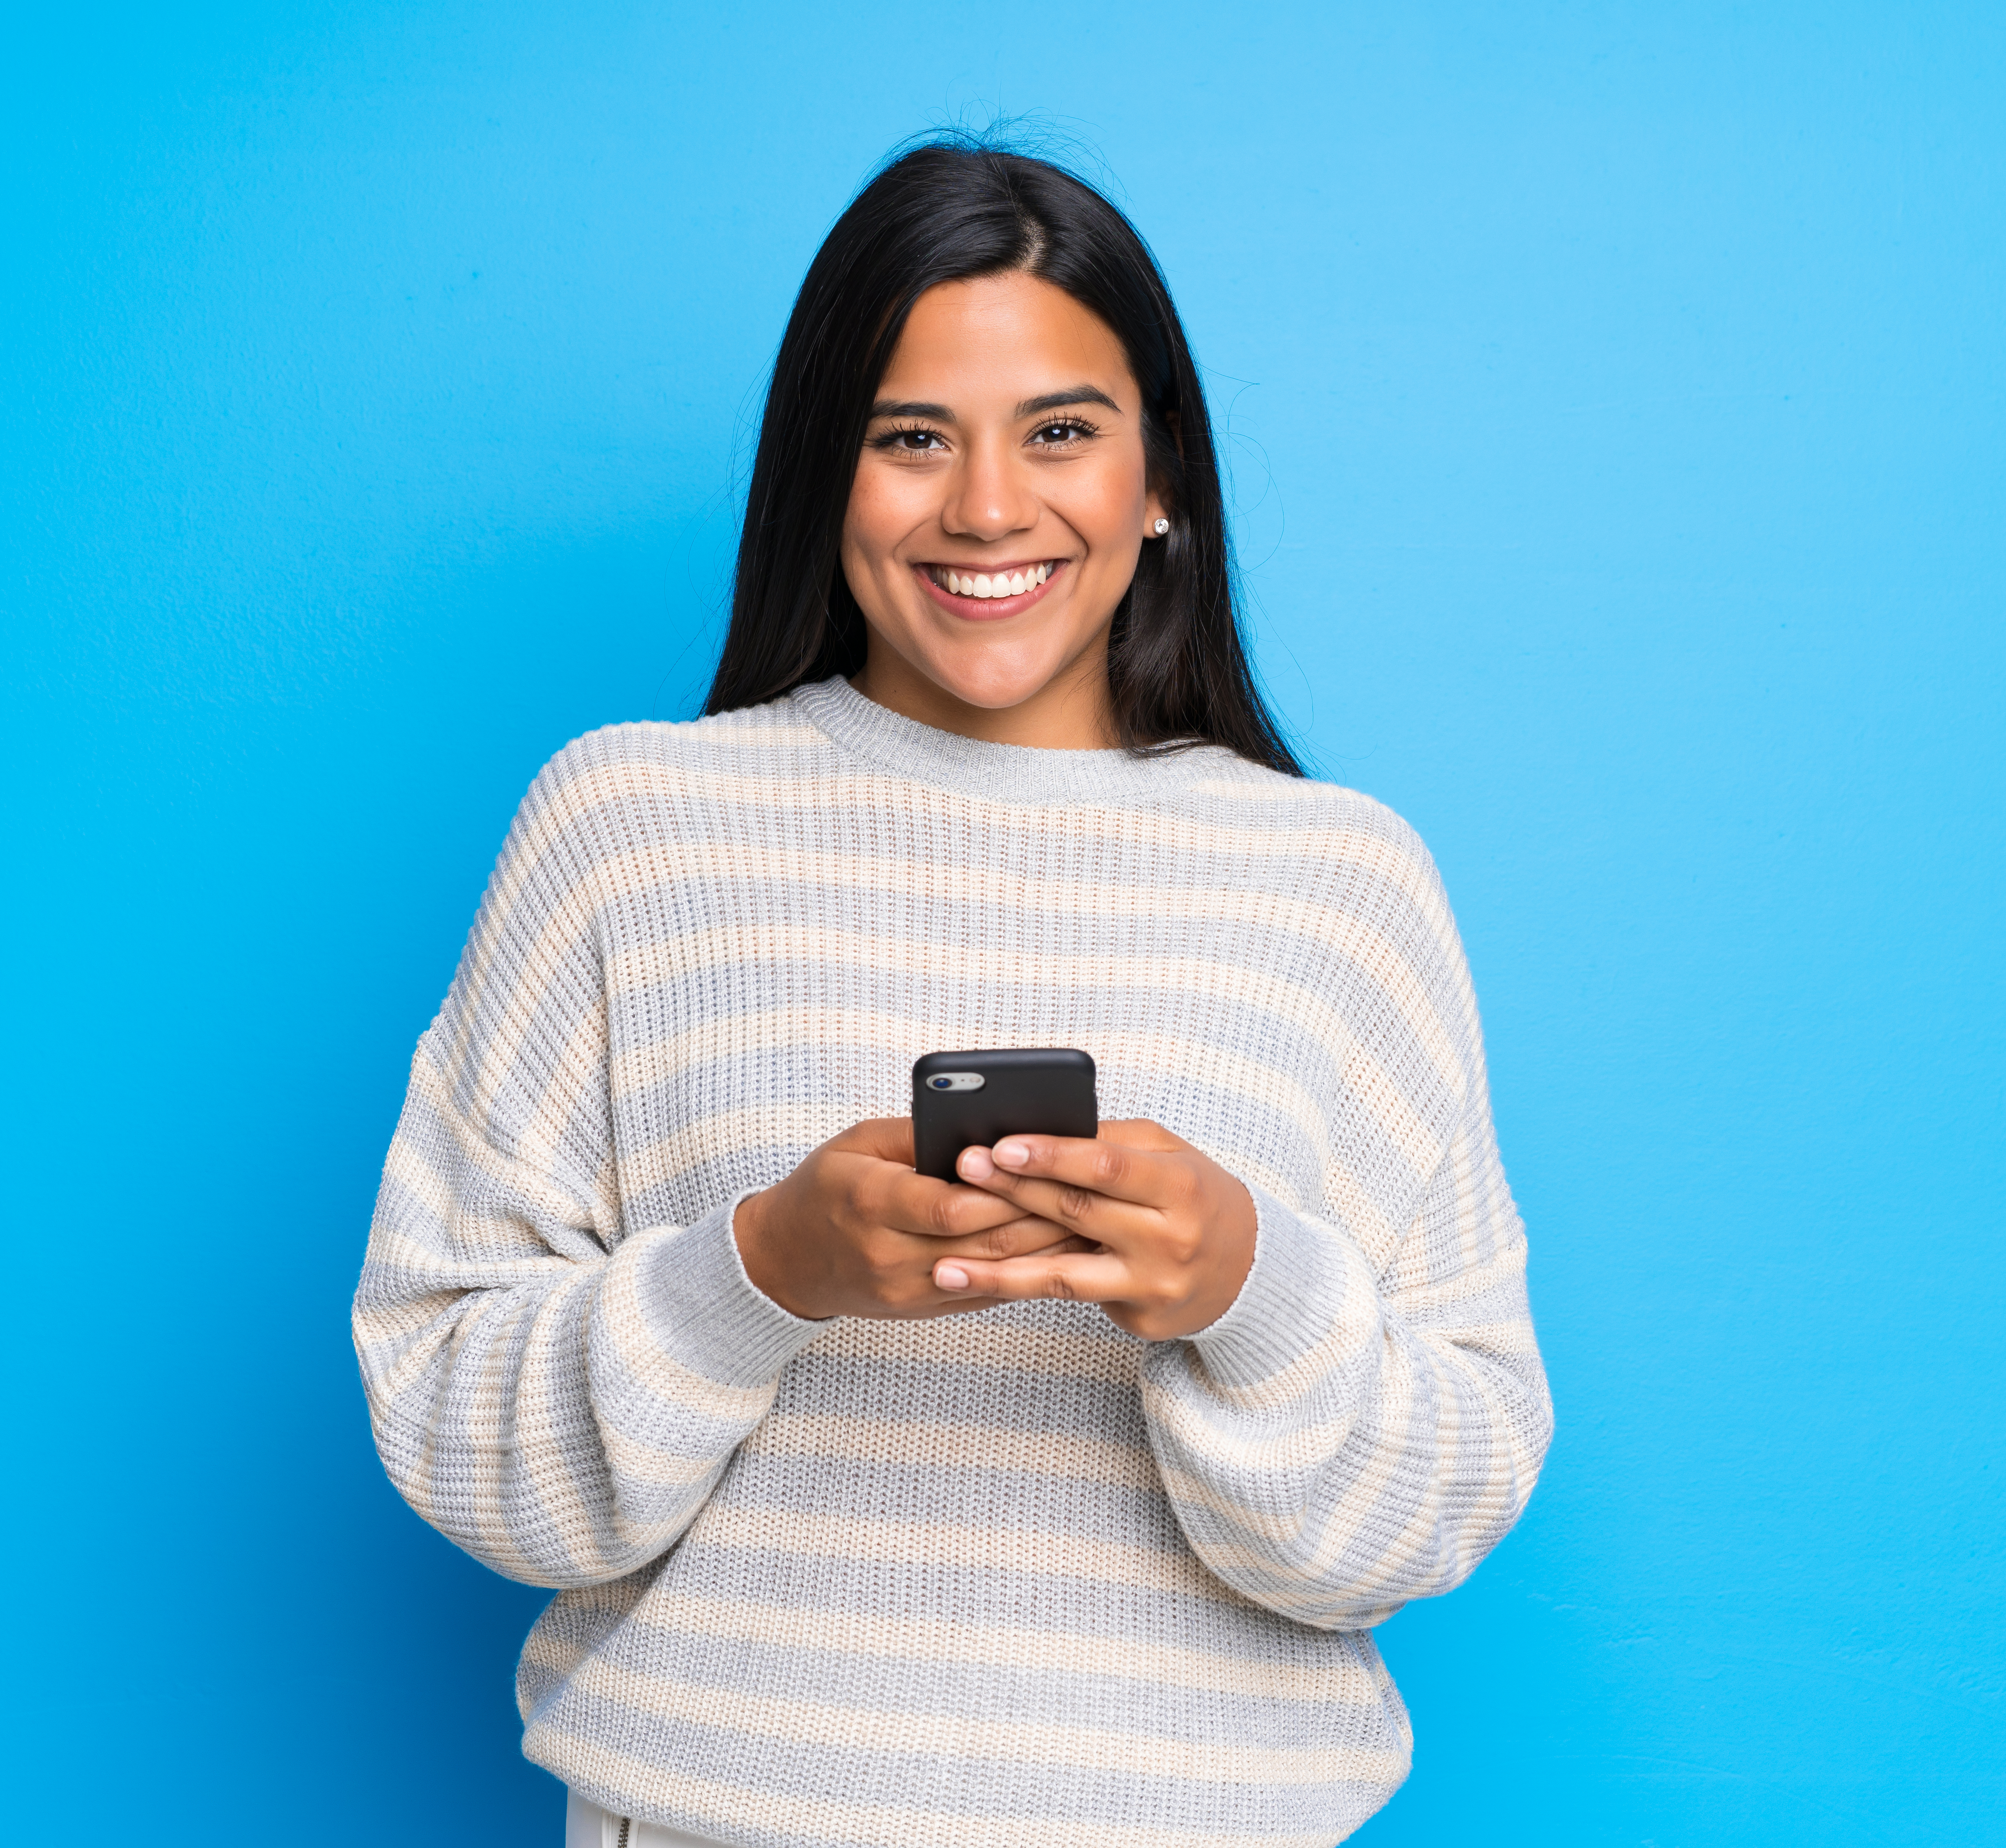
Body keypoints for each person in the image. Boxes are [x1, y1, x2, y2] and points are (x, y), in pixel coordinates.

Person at [353, 138, 1554, 1848]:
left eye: (1060, 431)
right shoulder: (628, 830)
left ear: (1163, 480)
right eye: (911, 437)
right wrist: (760, 1268)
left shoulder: (1340, 884)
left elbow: (1444, 1490)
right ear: (820, 477)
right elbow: (451, 1418)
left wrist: (1244, 1288)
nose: (988, 507)